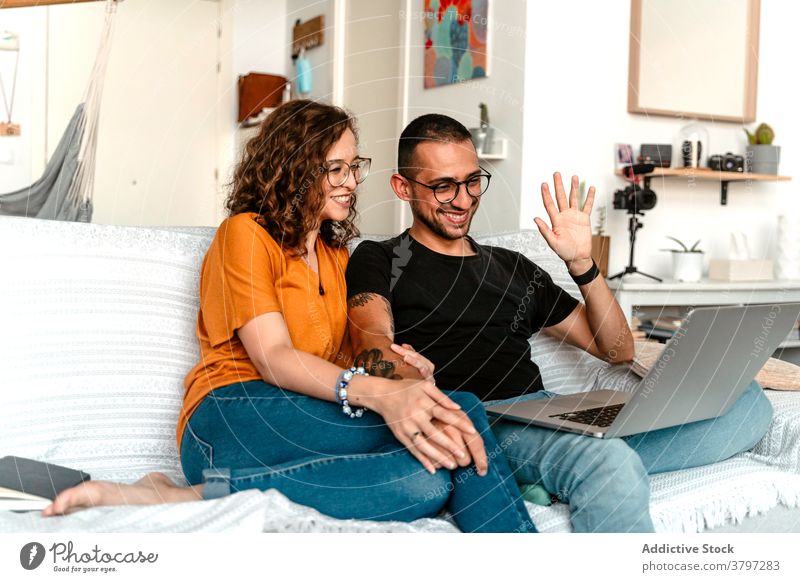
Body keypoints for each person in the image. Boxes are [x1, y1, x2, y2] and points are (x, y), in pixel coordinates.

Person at [42, 101, 534, 533]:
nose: (350, 183)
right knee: (457, 411)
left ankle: (185, 499)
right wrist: (383, 393)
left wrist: (403, 373)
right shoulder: (246, 235)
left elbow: (356, 364)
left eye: (354, 166)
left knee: (425, 474)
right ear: (295, 171)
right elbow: (275, 357)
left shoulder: (338, 257)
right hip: (229, 418)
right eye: (334, 169)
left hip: (307, 422)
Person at [344, 113, 774, 533]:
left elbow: (617, 350)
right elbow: (372, 341)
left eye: (473, 181)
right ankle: (584, 465)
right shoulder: (380, 259)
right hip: (484, 421)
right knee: (609, 461)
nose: (463, 199)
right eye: (443, 187)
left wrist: (583, 263)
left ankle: (565, 468)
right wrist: (401, 372)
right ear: (402, 187)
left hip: (547, 410)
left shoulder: (513, 267)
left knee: (747, 402)